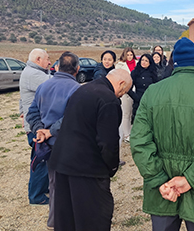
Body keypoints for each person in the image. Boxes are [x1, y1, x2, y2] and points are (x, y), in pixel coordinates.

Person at [130, 37, 194, 231]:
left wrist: (160, 181)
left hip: (164, 190)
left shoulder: (152, 92)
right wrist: (190, 180)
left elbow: (139, 142)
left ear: (174, 64)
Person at [48, 69, 132, 231]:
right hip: (87, 169)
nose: (121, 96)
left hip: (62, 163)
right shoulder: (108, 100)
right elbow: (108, 143)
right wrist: (111, 168)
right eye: (124, 92)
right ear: (121, 84)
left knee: (68, 219)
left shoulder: (83, 89)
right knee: (93, 220)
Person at [26, 52, 81, 230]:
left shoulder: (43, 86)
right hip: (68, 144)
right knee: (72, 185)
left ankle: (53, 221)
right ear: (77, 69)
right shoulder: (77, 89)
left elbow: (31, 113)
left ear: (56, 67)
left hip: (47, 146)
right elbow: (72, 118)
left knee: (53, 183)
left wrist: (39, 130)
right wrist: (49, 131)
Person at [19, 48, 51, 206]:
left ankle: (43, 187)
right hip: (36, 126)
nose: (50, 62)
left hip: (34, 123)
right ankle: (36, 196)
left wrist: (22, 111)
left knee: (43, 158)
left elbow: (22, 97)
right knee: (41, 159)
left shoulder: (29, 71)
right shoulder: (34, 74)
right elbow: (54, 85)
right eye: (47, 59)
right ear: (38, 59)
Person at [115, 48, 136, 165]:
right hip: (125, 91)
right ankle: (126, 134)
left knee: (132, 112)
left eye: (131, 54)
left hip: (134, 91)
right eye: (127, 55)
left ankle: (130, 132)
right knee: (125, 113)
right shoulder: (120, 65)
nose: (129, 56)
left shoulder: (136, 64)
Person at [128, 54, 158, 121]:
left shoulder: (153, 73)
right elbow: (128, 88)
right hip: (138, 102)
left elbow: (156, 88)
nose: (144, 62)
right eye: (142, 60)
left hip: (150, 101)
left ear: (150, 63)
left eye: (146, 61)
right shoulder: (135, 72)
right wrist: (136, 97)